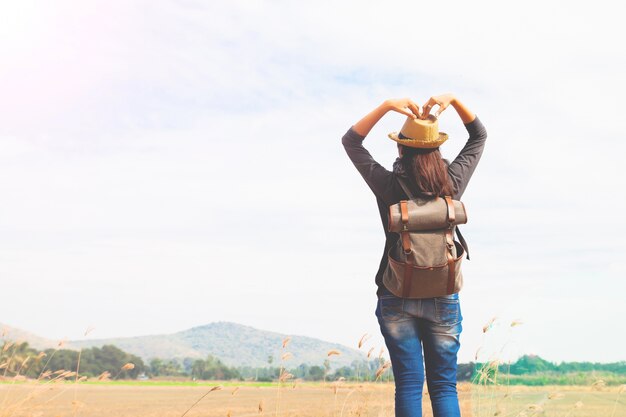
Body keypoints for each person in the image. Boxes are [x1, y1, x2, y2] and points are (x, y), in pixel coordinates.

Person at [341, 94, 487, 417]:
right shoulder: (452, 184)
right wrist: (456, 101)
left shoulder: (389, 185)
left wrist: (385, 106)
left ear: (400, 148)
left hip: (396, 292)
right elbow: (479, 135)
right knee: (444, 386)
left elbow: (351, 142)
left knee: (408, 384)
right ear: (438, 149)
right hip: (443, 294)